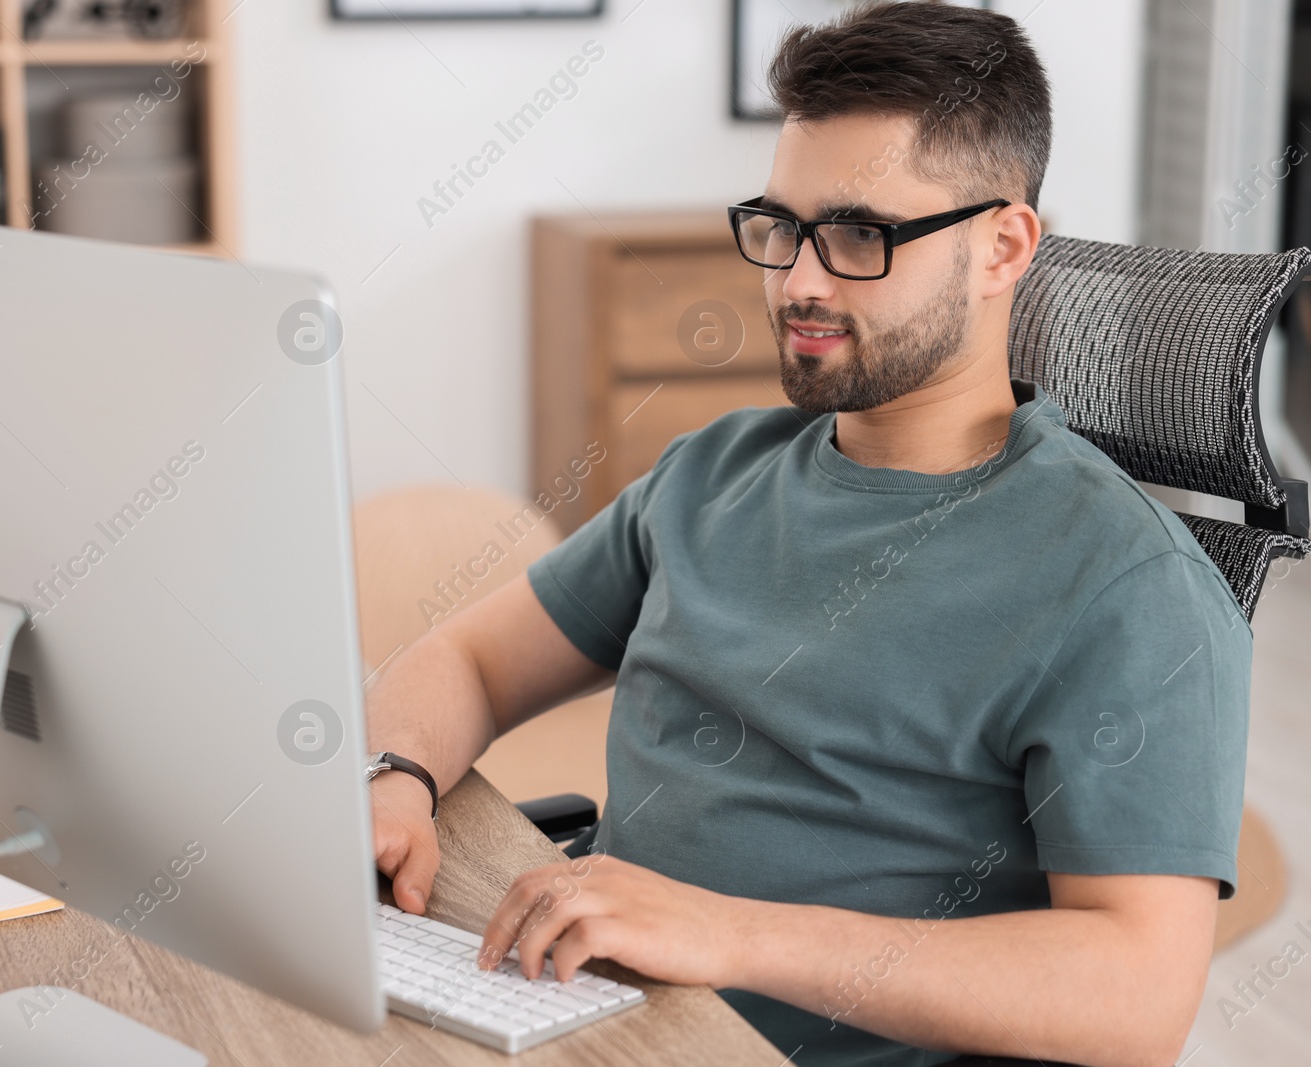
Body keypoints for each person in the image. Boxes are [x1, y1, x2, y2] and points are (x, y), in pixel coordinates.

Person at [365, 3, 1249, 1064]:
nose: (799, 281)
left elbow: (1137, 992)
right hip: (571, 1013)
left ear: (1003, 245)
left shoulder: (1124, 583)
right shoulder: (713, 472)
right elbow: (467, 656)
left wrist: (729, 933)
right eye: (782, 226)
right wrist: (394, 777)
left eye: (860, 235)